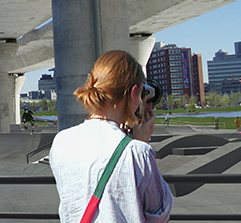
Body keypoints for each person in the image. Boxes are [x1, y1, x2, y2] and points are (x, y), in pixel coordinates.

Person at [50, 50, 173, 223]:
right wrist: (141, 141)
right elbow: (160, 217)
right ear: (134, 92)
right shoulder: (137, 152)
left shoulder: (61, 142)